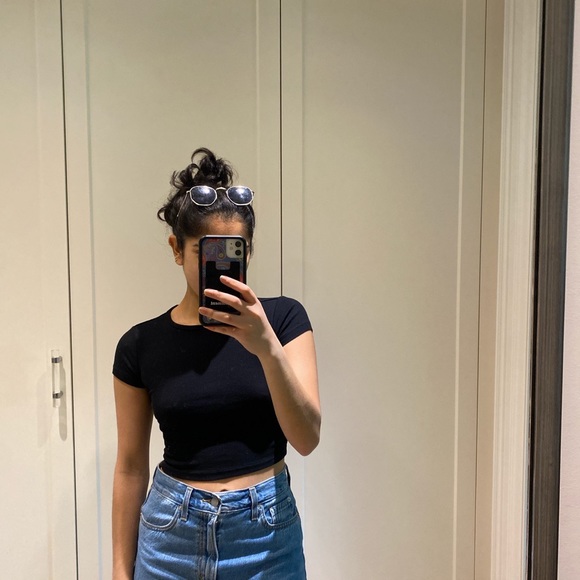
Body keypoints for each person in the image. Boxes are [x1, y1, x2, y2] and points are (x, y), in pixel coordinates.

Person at [111, 147, 321, 579]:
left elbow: (306, 438)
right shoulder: (139, 345)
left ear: (248, 251)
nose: (222, 267)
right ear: (177, 249)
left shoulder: (283, 320)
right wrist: (119, 571)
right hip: (170, 535)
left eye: (234, 251)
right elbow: (130, 467)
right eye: (206, 253)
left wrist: (266, 347)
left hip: (266, 538)